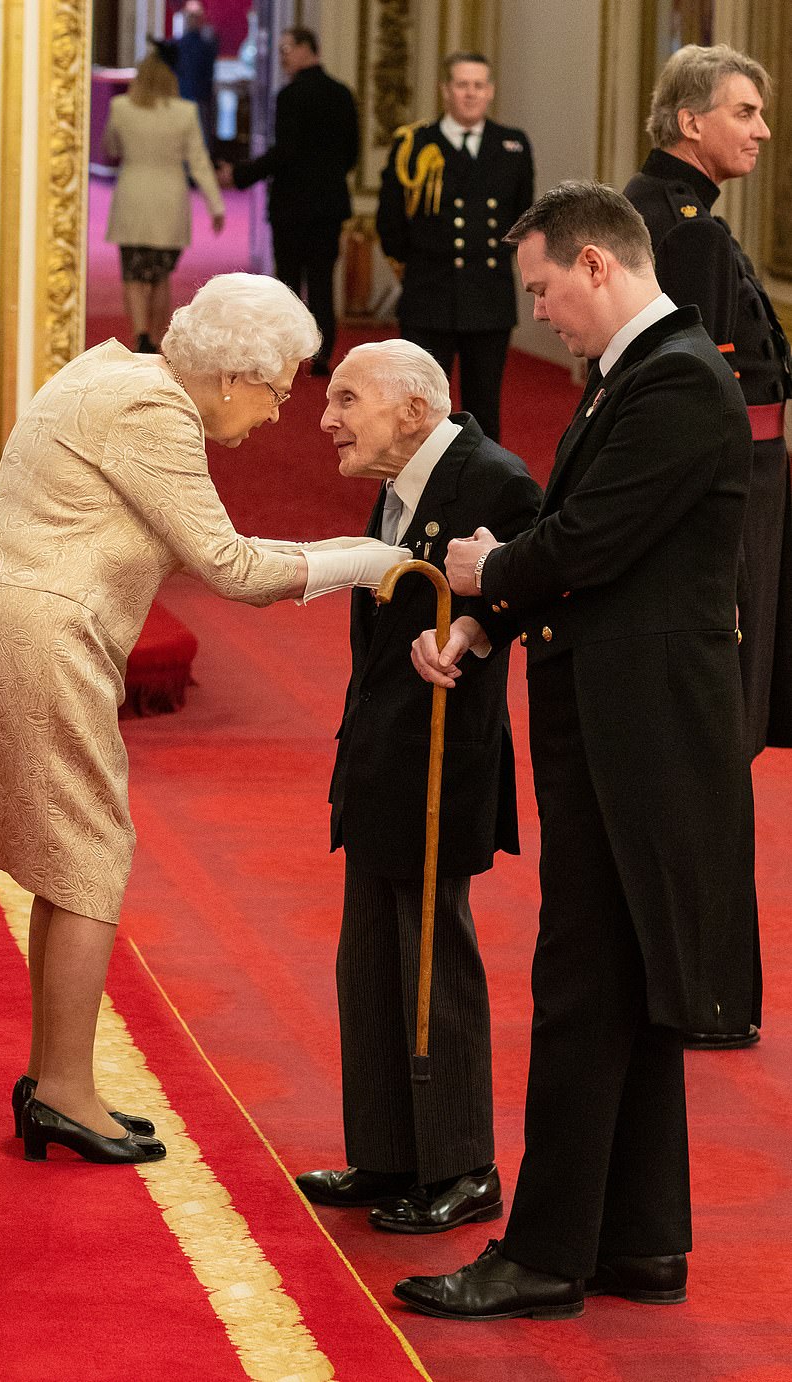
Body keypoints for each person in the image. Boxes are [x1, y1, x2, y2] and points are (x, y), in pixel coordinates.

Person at [0, 274, 408, 1167]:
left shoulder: (110, 369)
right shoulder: (156, 414)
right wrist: (362, 559)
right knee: (89, 849)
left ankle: (57, 1079)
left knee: (65, 850)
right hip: (43, 628)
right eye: (280, 390)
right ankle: (63, 1089)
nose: (280, 412)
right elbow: (230, 566)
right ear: (235, 377)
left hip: (1, 610)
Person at [400, 182, 755, 1320]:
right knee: (625, 979)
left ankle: (545, 1253)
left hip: (643, 734)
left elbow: (585, 540)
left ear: (597, 265)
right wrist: (482, 618)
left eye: (543, 288)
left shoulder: (680, 380)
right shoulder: (637, 375)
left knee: (580, 983)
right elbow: (583, 541)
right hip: (625, 723)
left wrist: (481, 576)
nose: (538, 312)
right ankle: (642, 1242)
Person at [295, 340, 541, 1232]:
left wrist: (471, 631)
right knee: (369, 957)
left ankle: (461, 1164)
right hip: (381, 752)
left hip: (444, 756)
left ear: (413, 409)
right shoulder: (405, 477)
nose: (327, 418)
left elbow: (528, 585)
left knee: (436, 958)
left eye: (347, 400)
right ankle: (387, 1155)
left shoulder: (494, 479)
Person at [623, 43, 792, 1050]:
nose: (760, 131)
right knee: (713, 743)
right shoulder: (680, 233)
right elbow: (703, 406)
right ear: (689, 121)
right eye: (743, 112)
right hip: (733, 511)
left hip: (742, 498)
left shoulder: (675, 217)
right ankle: (706, 988)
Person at [375, 52, 534, 442]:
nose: (470, 94)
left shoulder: (512, 145)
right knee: (420, 409)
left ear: (491, 92)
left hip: (489, 298)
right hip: (429, 295)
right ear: (445, 90)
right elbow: (390, 221)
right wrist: (414, 266)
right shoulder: (415, 144)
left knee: (484, 410)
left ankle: (484, 493)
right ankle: (417, 491)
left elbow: (524, 218)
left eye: (479, 85)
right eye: (462, 85)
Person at [217, 27, 359, 376]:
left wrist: (239, 175)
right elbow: (352, 154)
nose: (282, 56)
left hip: (293, 205)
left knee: (290, 283)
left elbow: (285, 153)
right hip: (328, 205)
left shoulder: (291, 95)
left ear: (310, 49)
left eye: (287, 49)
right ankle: (324, 354)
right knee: (323, 281)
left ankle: (288, 355)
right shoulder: (342, 94)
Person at [102, 50, 225, 354]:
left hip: (133, 197)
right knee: (159, 276)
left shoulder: (121, 107)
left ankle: (139, 333)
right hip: (170, 200)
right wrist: (216, 204)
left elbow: (110, 146)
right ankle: (155, 338)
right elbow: (198, 161)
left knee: (132, 273)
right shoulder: (185, 112)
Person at [173, 1, 219, 152]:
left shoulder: (207, 42)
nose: (193, 19)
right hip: (182, 97)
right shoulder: (179, 45)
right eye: (190, 16)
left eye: (196, 16)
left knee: (200, 141)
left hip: (200, 99)